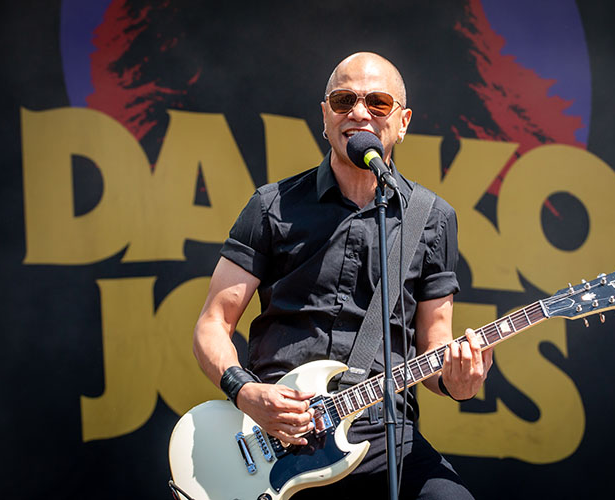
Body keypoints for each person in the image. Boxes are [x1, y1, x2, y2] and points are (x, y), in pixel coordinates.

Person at [193, 51, 493, 499]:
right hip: (278, 430)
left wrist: (458, 380)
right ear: (325, 116)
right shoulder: (271, 206)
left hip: (384, 436)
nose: (358, 112)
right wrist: (247, 392)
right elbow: (213, 323)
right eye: (343, 100)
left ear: (403, 122)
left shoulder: (432, 218)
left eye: (378, 102)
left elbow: (435, 345)